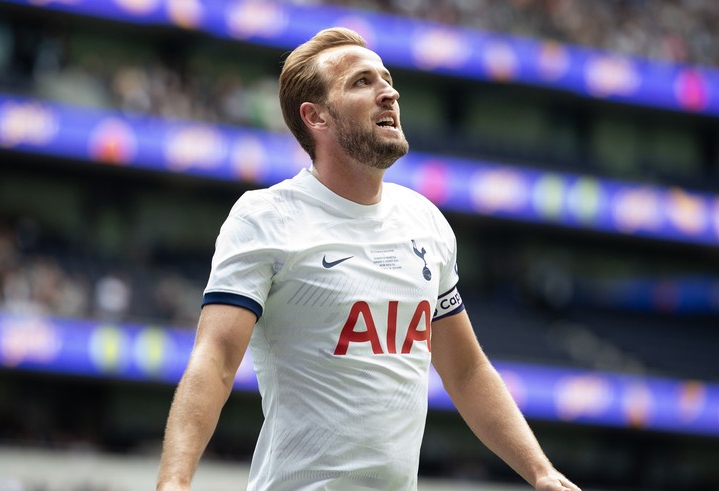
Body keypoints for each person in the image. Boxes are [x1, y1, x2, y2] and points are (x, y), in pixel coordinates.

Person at [156, 27, 580, 491]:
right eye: (362, 82)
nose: (389, 93)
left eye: (387, 79)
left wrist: (541, 472)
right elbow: (215, 358)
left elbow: (466, 370)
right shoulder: (265, 217)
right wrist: (174, 482)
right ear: (315, 117)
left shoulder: (425, 221)